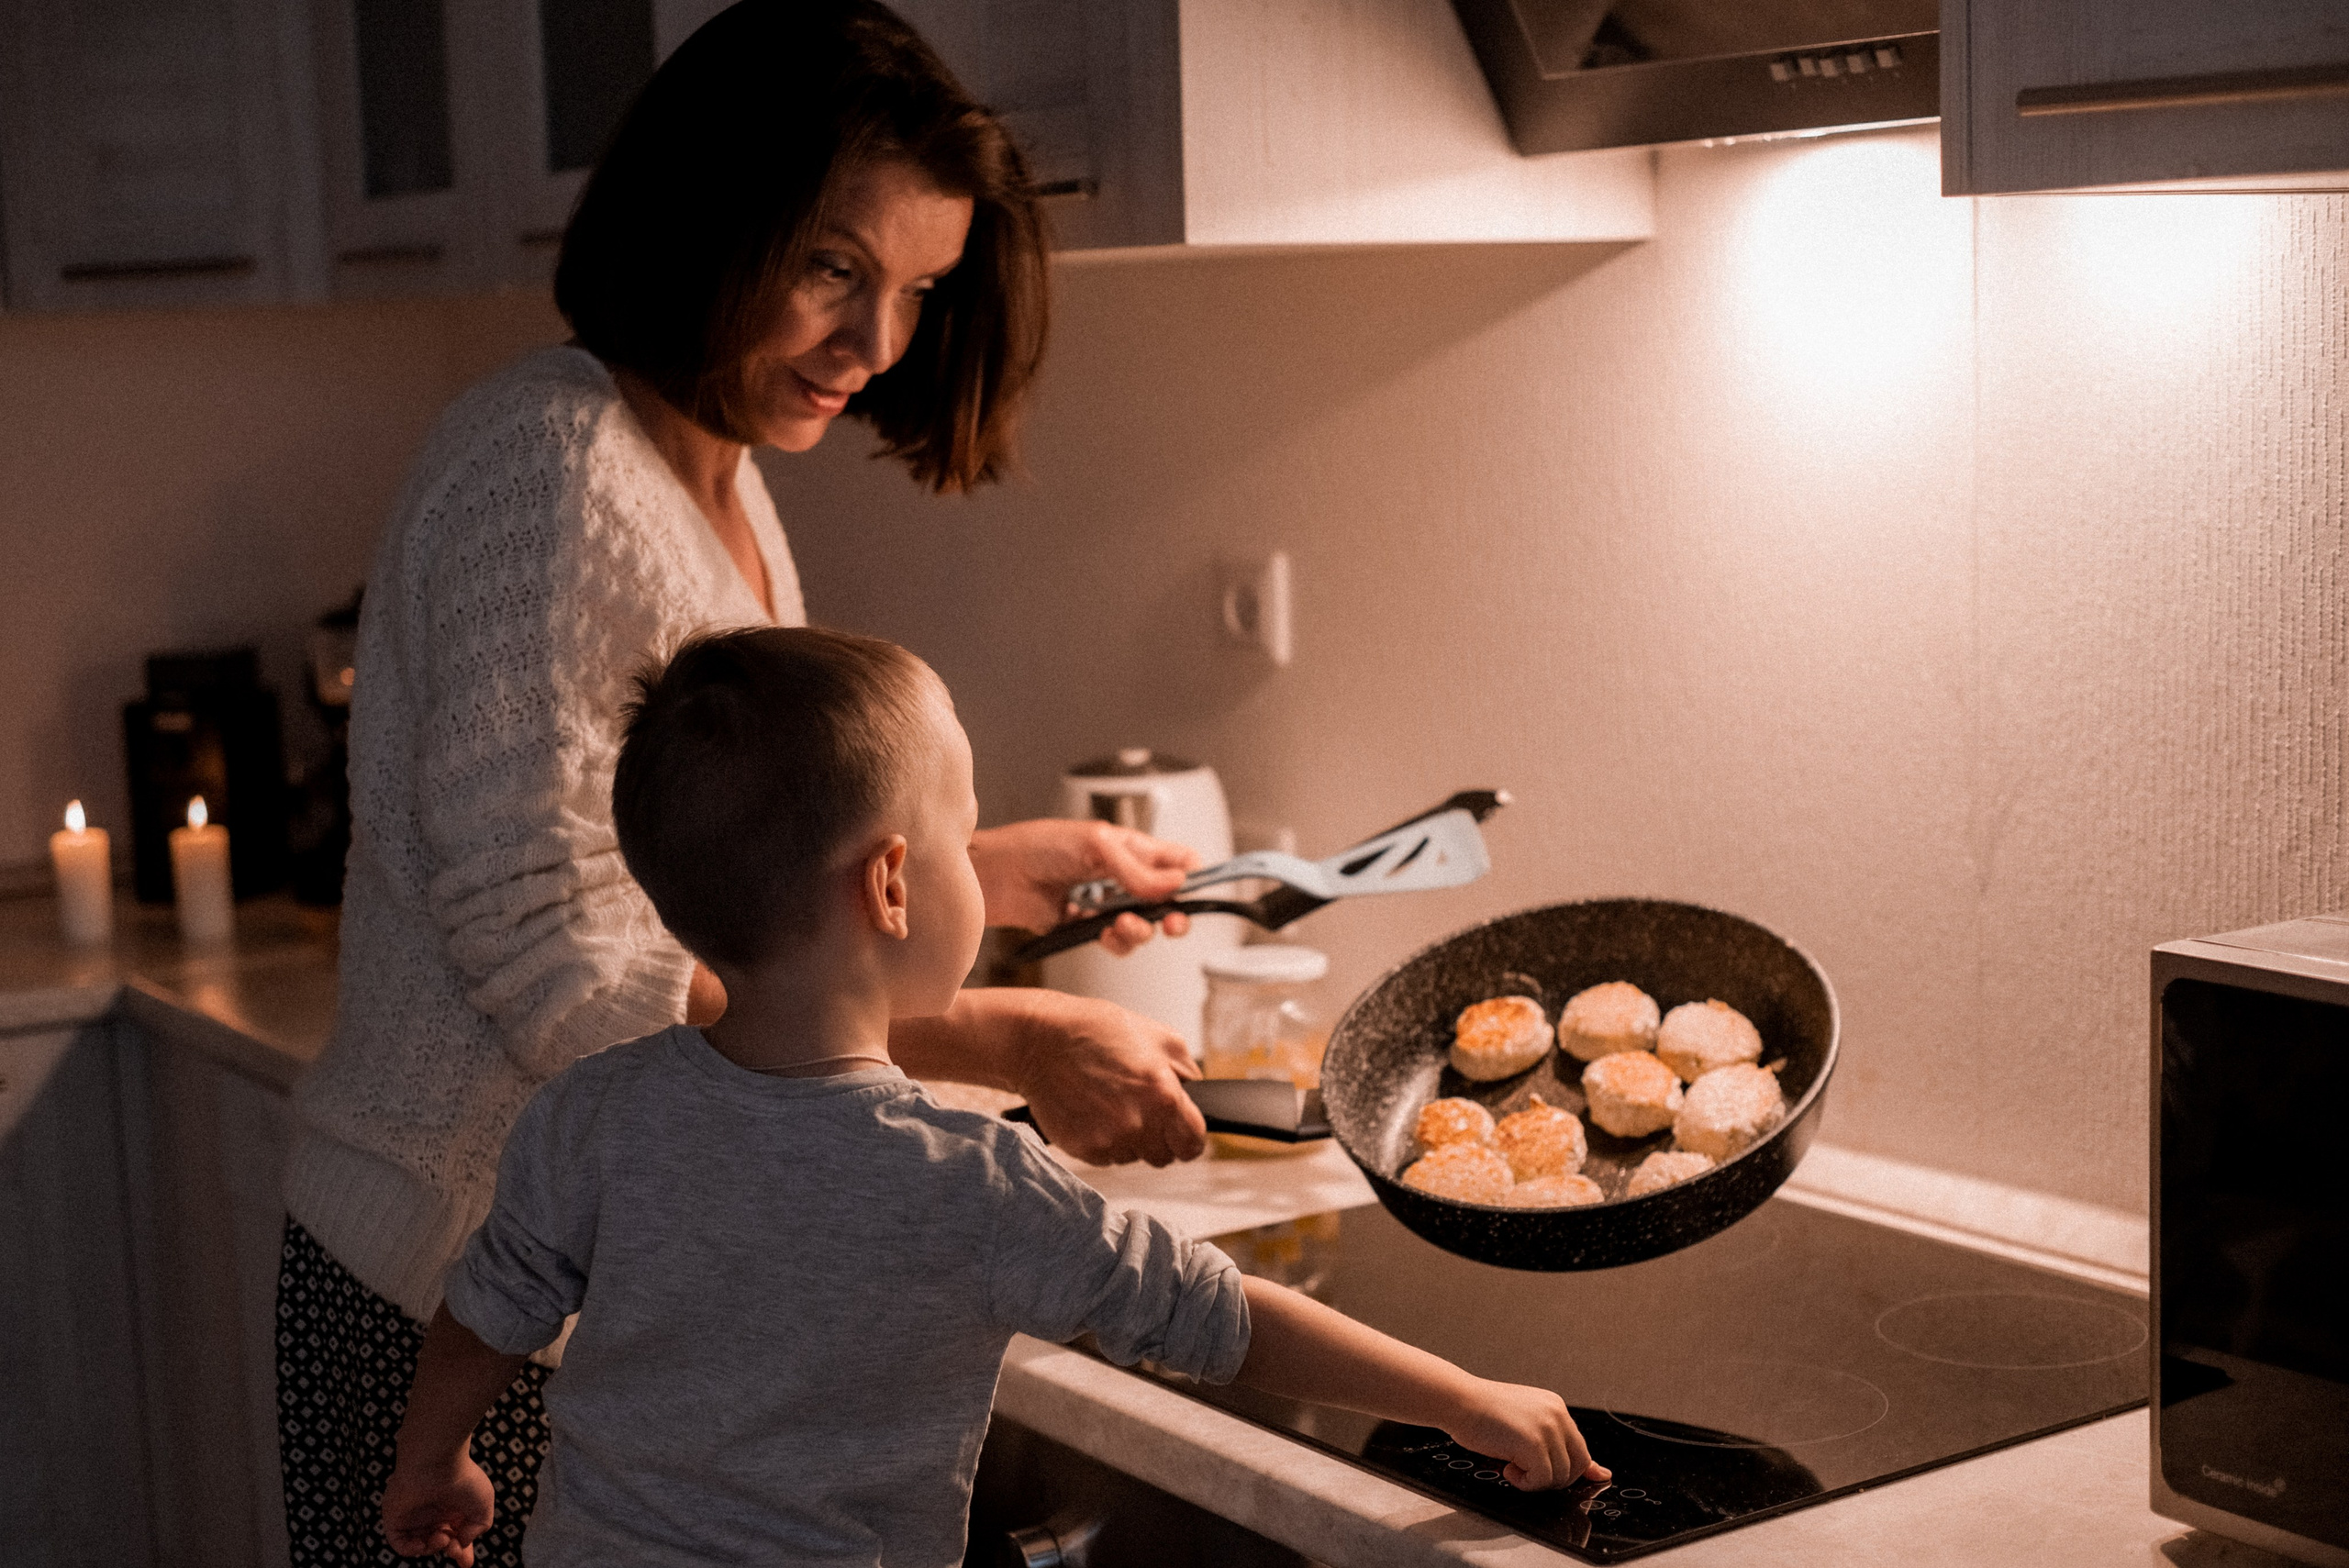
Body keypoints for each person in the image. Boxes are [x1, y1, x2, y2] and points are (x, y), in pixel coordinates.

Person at [279, 6, 1211, 1563]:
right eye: (836, 268)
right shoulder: (557, 469)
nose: (878, 344)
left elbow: (714, 869)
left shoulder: (711, 475)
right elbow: (565, 966)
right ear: (712, 215)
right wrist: (999, 1036)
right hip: (456, 1291)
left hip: (599, 1278)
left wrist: (981, 860)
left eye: (916, 289)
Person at [379, 628, 1609, 1565]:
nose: (986, 862)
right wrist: (1466, 1397)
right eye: (967, 834)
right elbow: (1223, 1318)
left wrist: (434, 1459)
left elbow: (483, 1313)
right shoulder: (969, 1182)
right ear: (897, 885)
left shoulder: (591, 1118)